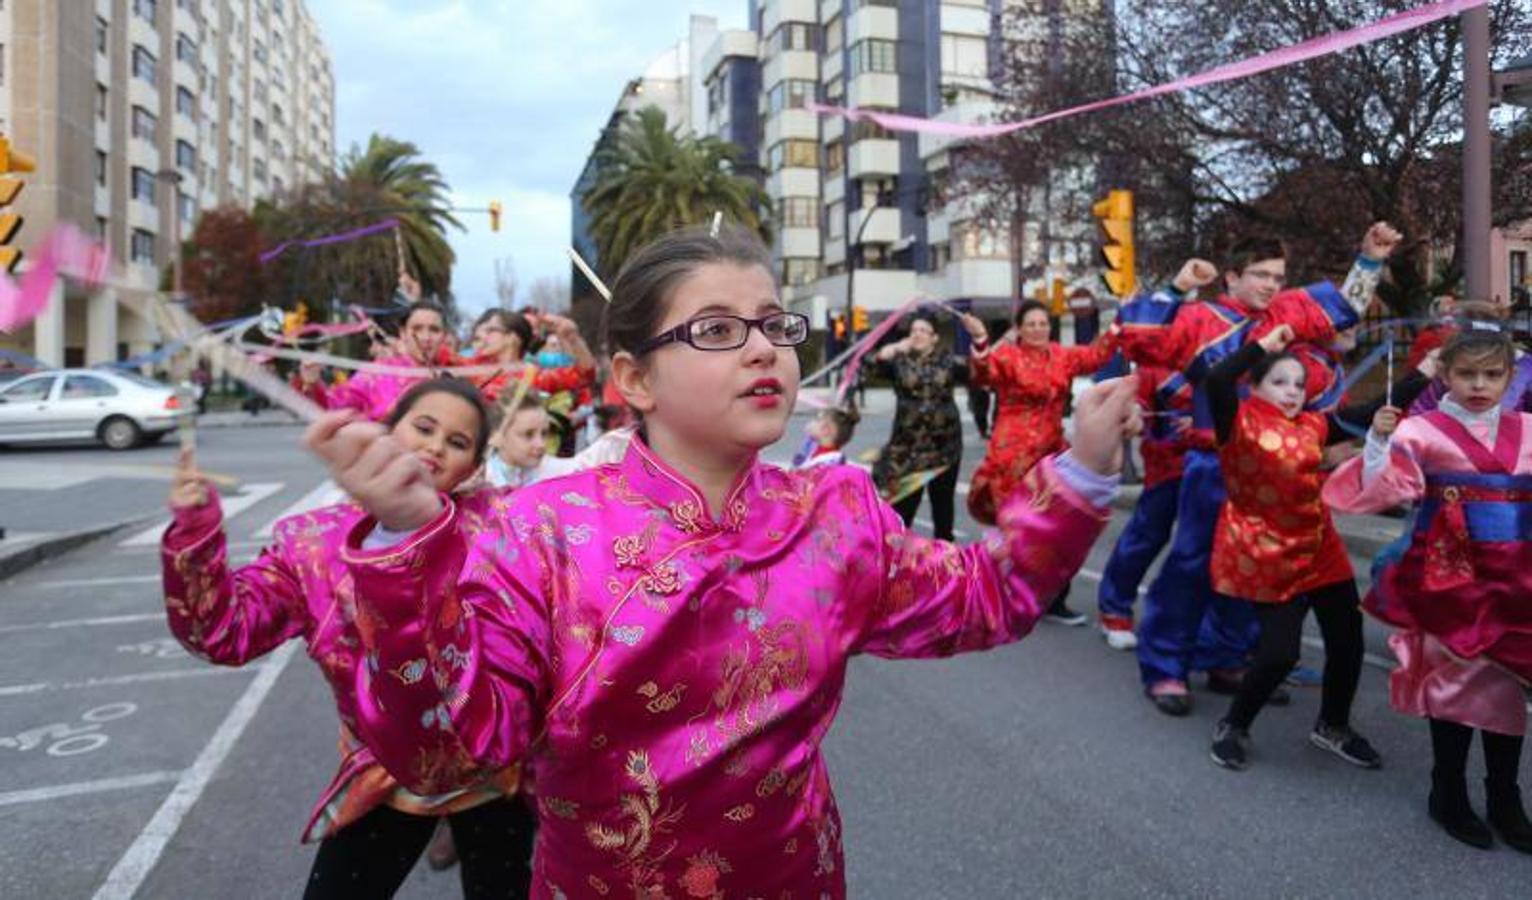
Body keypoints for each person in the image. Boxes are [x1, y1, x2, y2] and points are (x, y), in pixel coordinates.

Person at [301, 225, 1138, 896]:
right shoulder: (540, 532)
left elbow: (983, 598)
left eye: (775, 325)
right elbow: (447, 754)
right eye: (717, 330)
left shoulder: (836, 514)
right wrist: (403, 547)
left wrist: (1084, 472)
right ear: (633, 377)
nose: (763, 349)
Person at [161, 378, 536, 898]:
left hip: (498, 779)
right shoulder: (311, 544)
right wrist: (195, 534)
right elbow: (222, 633)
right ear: (386, 432)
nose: (433, 447)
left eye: (457, 442)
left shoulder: (504, 527)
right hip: (383, 778)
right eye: (423, 428)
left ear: (474, 467)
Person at [1114, 223, 1400, 715]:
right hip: (1214, 462)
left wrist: (1369, 258)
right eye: (1259, 274)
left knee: (1262, 571)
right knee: (1193, 565)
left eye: (1277, 275)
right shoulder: (1199, 316)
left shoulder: (1287, 311)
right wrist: (1179, 286)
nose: (1270, 284)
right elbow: (1138, 339)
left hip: (1275, 470)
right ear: (1231, 276)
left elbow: (1346, 308)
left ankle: (1226, 656)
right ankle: (1165, 665)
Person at [1325, 317, 1532, 853]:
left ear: (1511, 377)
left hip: (1516, 582)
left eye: (1492, 375)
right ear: (1445, 375)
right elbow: (1380, 491)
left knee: (1507, 688)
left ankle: (1506, 799)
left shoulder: (1528, 430)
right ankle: (1449, 791)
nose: (1480, 386)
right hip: (1450, 579)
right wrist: (1378, 439)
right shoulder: (1421, 431)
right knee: (1453, 685)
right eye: (1468, 375)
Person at [1201, 323, 1434, 771]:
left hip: (1320, 546)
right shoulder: (1237, 420)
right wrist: (1263, 346)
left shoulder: (1311, 423)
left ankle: (1333, 725)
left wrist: (1422, 373)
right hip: (1267, 552)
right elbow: (1215, 379)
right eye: (1280, 382)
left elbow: (1366, 411)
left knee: (1347, 642)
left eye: (1299, 385)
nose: (1292, 392)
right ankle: (1234, 724)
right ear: (1255, 384)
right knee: (1279, 654)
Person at [967, 300, 1117, 624]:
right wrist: (981, 341)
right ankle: (993, 592)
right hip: (1012, 455)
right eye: (1030, 324)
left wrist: (1123, 320)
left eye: (1042, 323)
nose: (1037, 329)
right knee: (1011, 526)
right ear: (1019, 329)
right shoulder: (1008, 356)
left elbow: (1097, 356)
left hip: (1051, 453)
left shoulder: (1062, 356)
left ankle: (1052, 599)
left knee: (1057, 528)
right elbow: (982, 374)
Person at [871, 312, 987, 542]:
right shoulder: (900, 362)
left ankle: (943, 569)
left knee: (943, 514)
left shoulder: (949, 361)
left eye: (924, 330)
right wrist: (894, 348)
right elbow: (874, 365)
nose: (918, 334)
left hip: (945, 450)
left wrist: (979, 336)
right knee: (901, 517)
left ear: (934, 337)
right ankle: (896, 568)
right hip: (907, 452)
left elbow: (980, 371)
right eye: (914, 330)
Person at [323, 300, 454, 421]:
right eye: (417, 329)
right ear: (403, 333)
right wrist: (313, 385)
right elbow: (335, 405)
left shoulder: (451, 381)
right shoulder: (378, 372)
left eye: (434, 330)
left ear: (444, 336)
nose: (426, 337)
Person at [485, 392, 631, 490]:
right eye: (528, 435)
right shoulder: (481, 483)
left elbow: (589, 462)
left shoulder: (554, 472)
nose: (541, 444)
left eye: (544, 434)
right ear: (495, 436)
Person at [469, 309, 596, 406]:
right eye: (480, 331)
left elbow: (584, 375)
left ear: (513, 338)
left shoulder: (534, 377)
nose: (481, 336)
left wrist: (572, 337)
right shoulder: (471, 369)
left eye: (490, 330)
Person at [793, 405, 860, 469]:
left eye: (817, 419)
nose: (812, 422)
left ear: (825, 430)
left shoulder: (829, 463)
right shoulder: (814, 448)